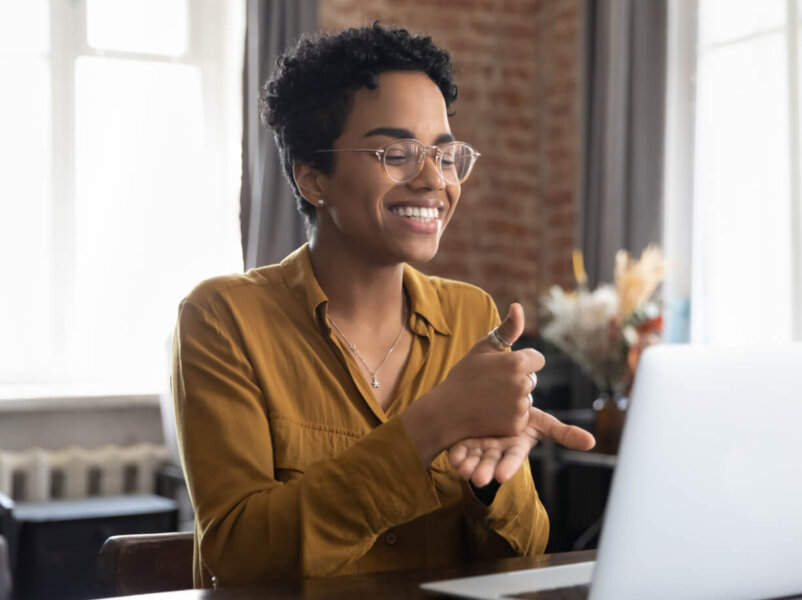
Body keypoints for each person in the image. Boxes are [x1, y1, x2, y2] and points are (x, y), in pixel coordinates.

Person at [171, 23, 595, 587]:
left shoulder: (473, 318)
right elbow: (241, 556)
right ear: (313, 177)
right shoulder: (223, 319)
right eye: (397, 153)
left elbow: (524, 554)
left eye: (446, 157)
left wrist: (492, 483)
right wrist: (429, 426)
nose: (432, 180)